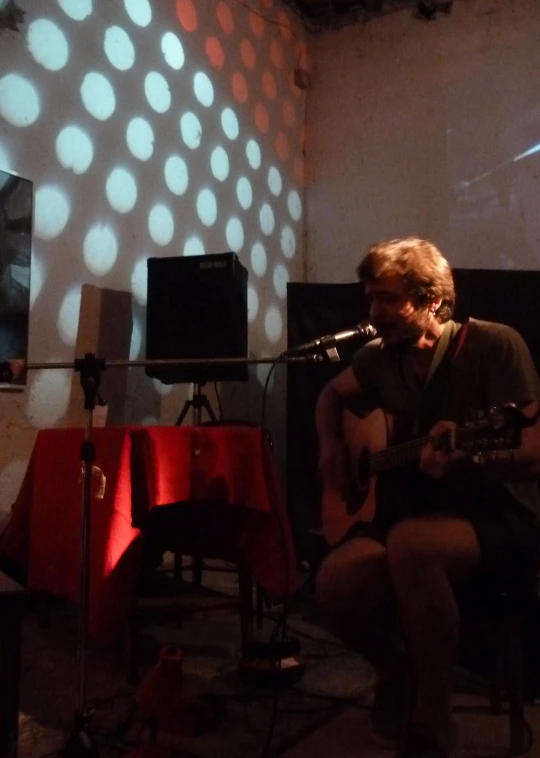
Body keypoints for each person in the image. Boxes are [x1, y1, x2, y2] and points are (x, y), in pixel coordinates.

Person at [314, 237, 540, 758]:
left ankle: (433, 725)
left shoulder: (494, 346)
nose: (374, 313)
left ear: (431, 300)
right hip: (413, 515)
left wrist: (471, 454)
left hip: (502, 519)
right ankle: (395, 671)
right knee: (334, 581)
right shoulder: (377, 358)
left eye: (387, 300)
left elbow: (531, 451)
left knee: (413, 546)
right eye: (370, 298)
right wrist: (331, 445)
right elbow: (330, 395)